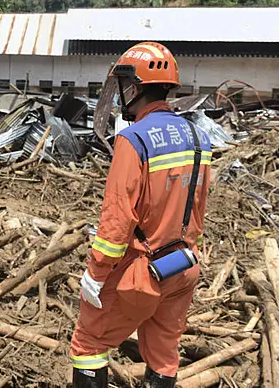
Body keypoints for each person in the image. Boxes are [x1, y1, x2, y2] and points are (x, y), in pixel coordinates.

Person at [70, 42, 212, 388]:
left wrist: (96, 273)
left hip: (141, 273)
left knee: (88, 345)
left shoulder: (133, 140)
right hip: (184, 266)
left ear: (133, 88)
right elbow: (198, 208)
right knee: (164, 352)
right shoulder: (199, 138)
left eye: (123, 88)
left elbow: (117, 219)